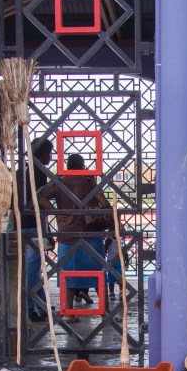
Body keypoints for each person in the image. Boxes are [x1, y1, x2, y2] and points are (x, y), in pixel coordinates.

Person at [39, 153, 110, 323]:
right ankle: (105, 312)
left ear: (67, 166)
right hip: (90, 234)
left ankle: (69, 313)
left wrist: (58, 212)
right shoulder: (88, 182)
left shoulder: (59, 183)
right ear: (82, 165)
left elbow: (41, 197)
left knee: (68, 275)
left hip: (67, 234)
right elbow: (105, 204)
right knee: (99, 274)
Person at [19, 138, 53, 322]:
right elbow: (39, 203)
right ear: (43, 154)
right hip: (32, 226)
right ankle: (30, 308)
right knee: (32, 270)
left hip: (21, 225)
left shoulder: (21, 171)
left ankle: (42, 308)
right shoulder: (39, 173)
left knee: (33, 270)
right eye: (50, 153)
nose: (51, 157)